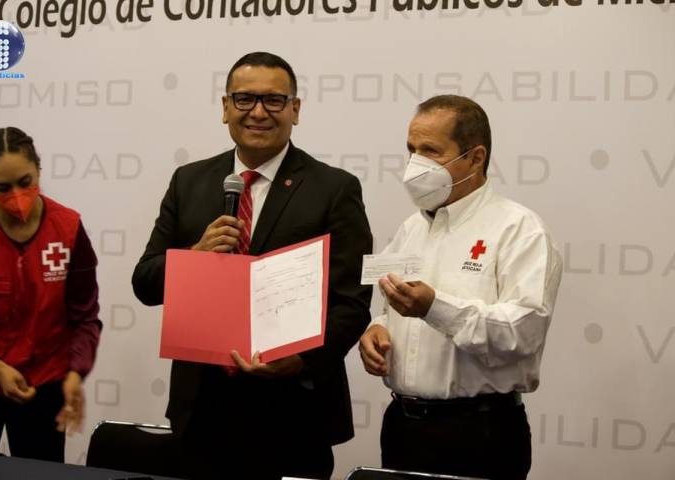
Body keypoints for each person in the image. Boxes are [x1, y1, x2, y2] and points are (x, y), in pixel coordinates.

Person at [132, 52, 372, 480]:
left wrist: (302, 359)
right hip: (201, 413)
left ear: (295, 109)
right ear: (225, 107)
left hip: (293, 413)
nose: (258, 112)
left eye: (274, 100)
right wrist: (194, 255)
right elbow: (145, 283)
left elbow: (352, 303)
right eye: (244, 99)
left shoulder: (334, 189)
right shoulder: (189, 181)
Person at [358, 95, 562, 480]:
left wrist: (434, 307)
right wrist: (377, 329)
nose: (415, 164)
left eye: (431, 151)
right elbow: (388, 307)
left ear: (475, 157)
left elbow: (523, 332)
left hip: (479, 432)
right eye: (411, 150)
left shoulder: (519, 229)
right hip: (403, 426)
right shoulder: (411, 228)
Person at [0, 127, 102, 462]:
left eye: (25, 182)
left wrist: (76, 372)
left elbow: (85, 316)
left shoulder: (68, 228)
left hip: (44, 385)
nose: (17, 196)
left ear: (39, 169)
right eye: (3, 188)